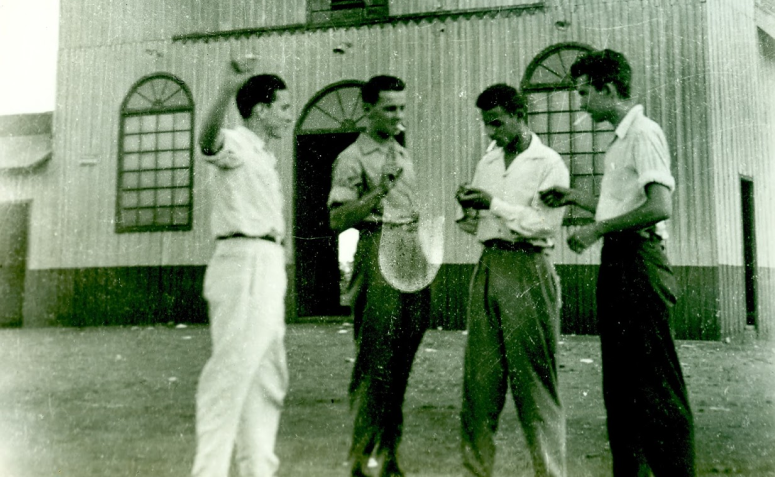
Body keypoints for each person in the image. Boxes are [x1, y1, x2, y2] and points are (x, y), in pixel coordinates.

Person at [540, 49, 695, 476]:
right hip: (619, 264)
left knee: (654, 386)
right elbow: (622, 204)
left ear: (609, 89)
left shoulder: (643, 133)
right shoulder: (620, 140)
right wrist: (576, 199)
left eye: (586, 92)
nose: (582, 102)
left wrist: (596, 230)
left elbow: (659, 205)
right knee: (622, 388)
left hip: (640, 263)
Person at [455, 84, 569, 477]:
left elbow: (542, 225)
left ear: (521, 115)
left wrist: (494, 204)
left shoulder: (548, 162)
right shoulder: (488, 162)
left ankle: (550, 472)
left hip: (529, 269)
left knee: (534, 382)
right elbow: (480, 226)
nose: (491, 132)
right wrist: (469, 206)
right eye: (486, 124)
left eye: (498, 123)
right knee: (480, 383)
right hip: (489, 265)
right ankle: (476, 471)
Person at [192, 59, 293, 477]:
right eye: (284, 106)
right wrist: (225, 89)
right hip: (244, 262)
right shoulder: (235, 141)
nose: (289, 114)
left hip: (268, 263)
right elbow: (207, 141)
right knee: (231, 374)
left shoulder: (264, 157)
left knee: (267, 377)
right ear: (260, 109)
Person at [328, 75, 429, 477]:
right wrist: (379, 192)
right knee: (376, 365)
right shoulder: (353, 158)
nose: (398, 115)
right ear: (367, 110)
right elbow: (337, 218)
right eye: (389, 108)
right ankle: (364, 461)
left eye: (402, 107)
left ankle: (387, 457)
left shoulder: (401, 154)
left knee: (402, 362)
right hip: (377, 252)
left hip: (411, 254)